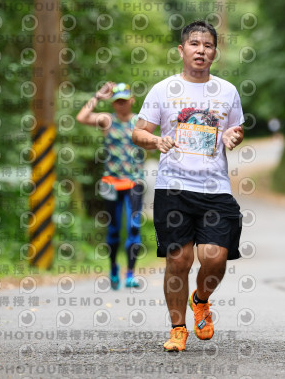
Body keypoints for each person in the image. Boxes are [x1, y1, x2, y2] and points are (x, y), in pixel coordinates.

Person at [132, 20, 244, 351]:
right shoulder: (163, 90)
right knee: (178, 261)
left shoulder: (227, 91)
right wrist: (156, 141)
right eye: (195, 44)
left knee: (215, 257)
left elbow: (236, 128)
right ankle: (177, 328)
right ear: (181, 50)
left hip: (215, 189)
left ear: (215, 53)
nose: (201, 50)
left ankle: (201, 299)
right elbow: (138, 132)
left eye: (208, 45)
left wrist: (233, 135)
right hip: (174, 188)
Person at [76, 82, 145, 289]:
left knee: (133, 227)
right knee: (113, 230)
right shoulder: (107, 120)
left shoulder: (140, 122)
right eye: (117, 102)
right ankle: (114, 267)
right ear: (113, 103)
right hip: (111, 183)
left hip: (134, 182)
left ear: (131, 100)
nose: (120, 105)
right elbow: (82, 117)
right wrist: (97, 96)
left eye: (124, 101)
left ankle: (130, 274)